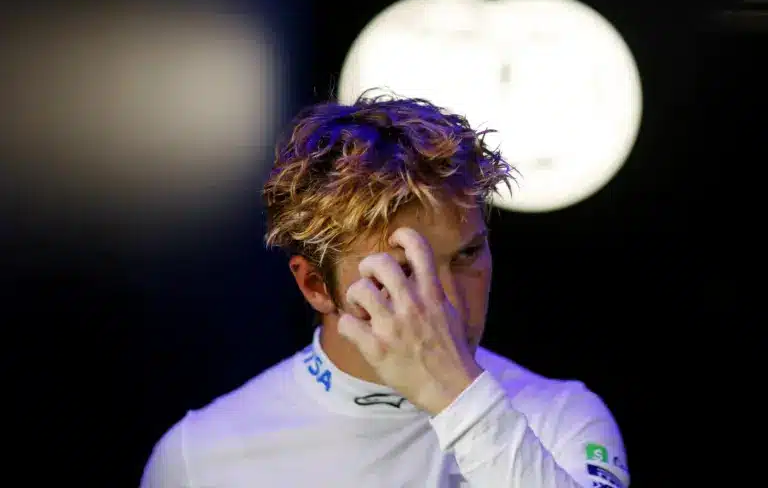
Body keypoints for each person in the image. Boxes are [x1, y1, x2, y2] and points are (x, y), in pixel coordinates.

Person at [140, 94, 630, 487]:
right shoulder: (199, 458)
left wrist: (458, 397)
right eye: (404, 272)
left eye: (467, 256)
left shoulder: (561, 417)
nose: (448, 307)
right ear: (315, 286)